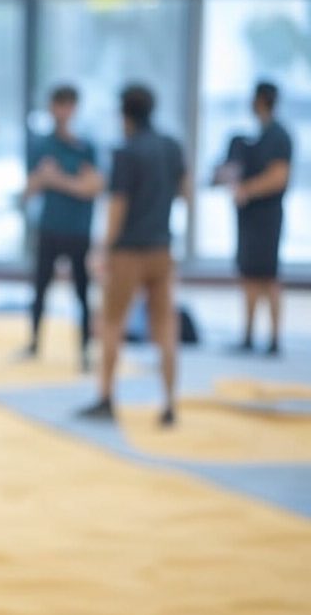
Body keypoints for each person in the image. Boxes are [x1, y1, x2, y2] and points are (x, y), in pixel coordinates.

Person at [78, 84, 187, 427]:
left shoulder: (126, 152)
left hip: (127, 252)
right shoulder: (171, 146)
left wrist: (102, 249)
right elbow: (184, 191)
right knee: (165, 328)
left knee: (112, 324)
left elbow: (118, 207)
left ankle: (106, 398)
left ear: (124, 114)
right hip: (162, 248)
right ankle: (169, 404)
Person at [21, 84, 104, 371]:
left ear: (75, 108)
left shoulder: (87, 146)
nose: (63, 112)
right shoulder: (41, 145)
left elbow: (93, 188)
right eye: (58, 104)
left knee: (83, 293)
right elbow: (29, 189)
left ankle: (85, 350)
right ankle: (33, 342)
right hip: (50, 227)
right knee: (40, 288)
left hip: (79, 230)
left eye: (68, 105)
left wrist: (54, 179)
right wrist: (69, 182)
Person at [212, 81, 292, 355]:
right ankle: (247, 335)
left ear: (261, 100)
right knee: (249, 275)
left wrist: (247, 189)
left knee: (268, 277)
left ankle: (273, 339)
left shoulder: (278, 136)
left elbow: (279, 176)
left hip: (267, 217)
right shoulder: (253, 137)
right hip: (249, 217)